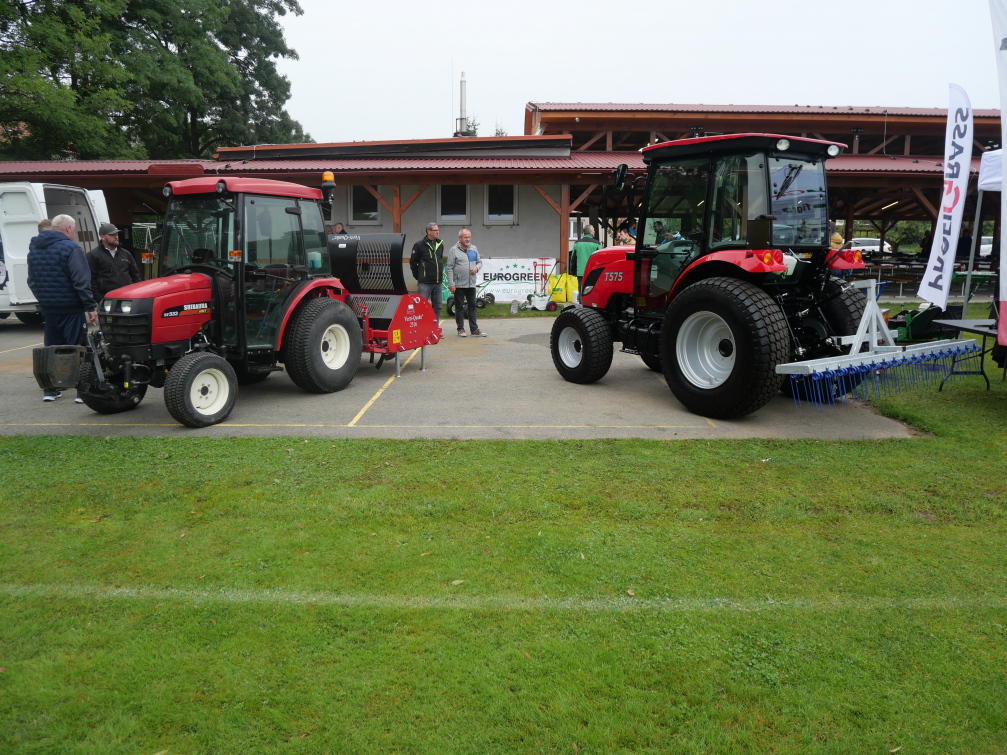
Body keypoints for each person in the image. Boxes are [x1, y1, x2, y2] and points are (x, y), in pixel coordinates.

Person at [26, 214, 98, 402]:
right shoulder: (72, 249)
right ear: (68, 229)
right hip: (71, 307)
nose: (74, 233)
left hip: (49, 308)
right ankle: (81, 391)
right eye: (74, 230)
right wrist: (90, 305)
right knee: (77, 347)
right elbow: (80, 281)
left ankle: (50, 390)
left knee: (52, 347)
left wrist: (44, 299)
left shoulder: (34, 249)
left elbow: (31, 281)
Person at [87, 222, 140, 304]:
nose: (116, 237)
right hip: (107, 300)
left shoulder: (126, 254)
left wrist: (135, 293)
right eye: (112, 235)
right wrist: (99, 299)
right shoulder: (93, 256)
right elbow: (91, 280)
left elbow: (135, 275)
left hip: (128, 297)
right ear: (102, 237)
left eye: (116, 234)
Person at [446, 228, 486, 337]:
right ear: (460, 238)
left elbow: (479, 262)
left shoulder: (473, 248)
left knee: (472, 306)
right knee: (459, 307)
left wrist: (477, 268)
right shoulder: (453, 250)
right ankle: (461, 329)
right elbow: (449, 268)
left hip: (471, 284)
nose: (468, 239)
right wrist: (451, 284)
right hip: (458, 284)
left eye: (469, 237)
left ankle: (474, 329)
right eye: (465, 237)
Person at [410, 222, 445, 316]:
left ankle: (435, 328)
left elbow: (439, 260)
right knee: (420, 306)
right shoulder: (419, 245)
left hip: (438, 282)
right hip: (425, 283)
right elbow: (413, 262)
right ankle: (421, 329)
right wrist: (419, 277)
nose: (438, 232)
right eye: (435, 230)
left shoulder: (440, 244)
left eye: (438, 230)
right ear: (428, 231)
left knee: (437, 306)